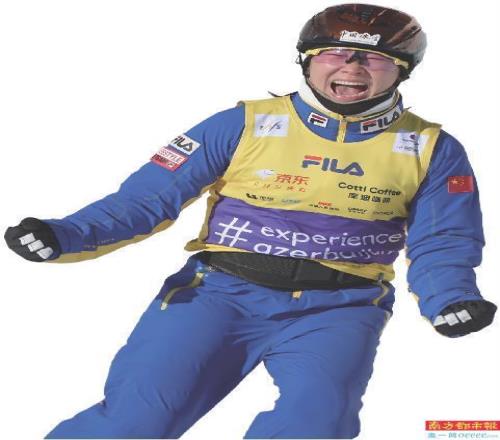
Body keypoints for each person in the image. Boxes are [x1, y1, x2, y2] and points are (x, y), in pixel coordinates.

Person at [4, 3, 497, 439]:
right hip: (217, 294)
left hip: (340, 308)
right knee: (136, 421)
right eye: (334, 52)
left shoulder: (432, 148)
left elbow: (444, 238)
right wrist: (63, 234)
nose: (351, 66)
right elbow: (145, 200)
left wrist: (450, 298)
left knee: (317, 424)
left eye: (374, 58)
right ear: (306, 60)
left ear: (402, 71)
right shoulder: (243, 123)